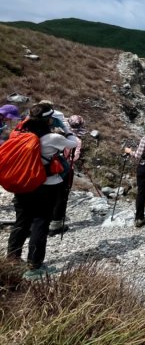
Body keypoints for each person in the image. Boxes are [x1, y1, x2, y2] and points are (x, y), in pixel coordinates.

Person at [6, 102, 78, 278]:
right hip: (45, 187)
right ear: (49, 120)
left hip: (22, 183)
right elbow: (73, 142)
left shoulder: (19, 133)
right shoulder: (53, 138)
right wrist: (65, 128)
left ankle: (12, 259)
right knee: (40, 223)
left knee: (21, 222)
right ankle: (34, 265)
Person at [48, 114, 85, 237]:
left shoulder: (57, 135)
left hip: (51, 168)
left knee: (51, 193)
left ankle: (46, 219)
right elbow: (75, 157)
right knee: (62, 195)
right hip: (67, 169)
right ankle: (56, 223)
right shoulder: (77, 141)